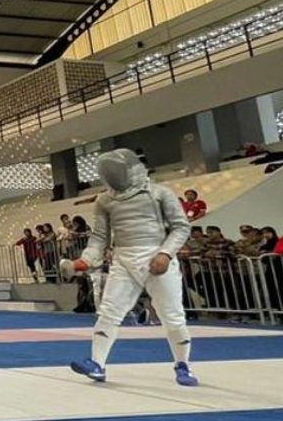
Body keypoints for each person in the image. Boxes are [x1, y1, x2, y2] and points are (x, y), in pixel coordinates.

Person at [63, 148, 197, 386]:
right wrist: (85, 260)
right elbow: (100, 237)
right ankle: (97, 364)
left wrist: (166, 254)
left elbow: (181, 227)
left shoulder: (160, 193)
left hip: (157, 257)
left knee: (172, 316)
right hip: (123, 259)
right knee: (109, 312)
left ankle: (183, 365)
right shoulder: (104, 200)